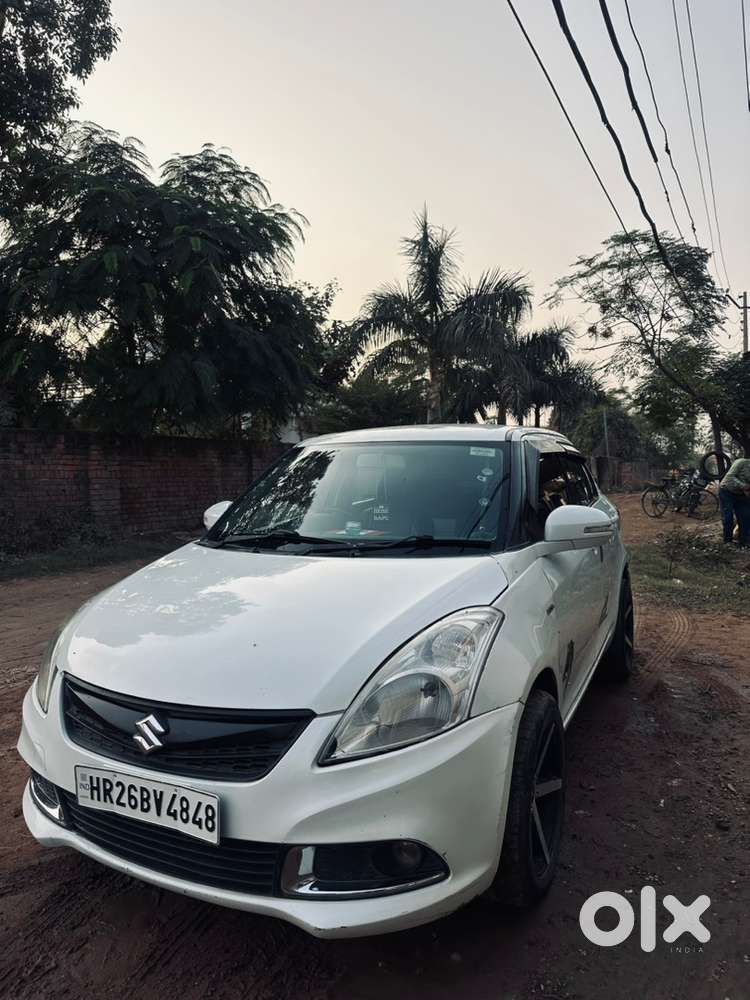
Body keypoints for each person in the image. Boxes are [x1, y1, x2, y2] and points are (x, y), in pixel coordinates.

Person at [718, 456, 750, 547]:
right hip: (727, 491)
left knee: (745, 517)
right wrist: (743, 486)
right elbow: (730, 477)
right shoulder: (741, 462)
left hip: (741, 495)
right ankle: (727, 541)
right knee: (728, 517)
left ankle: (744, 542)